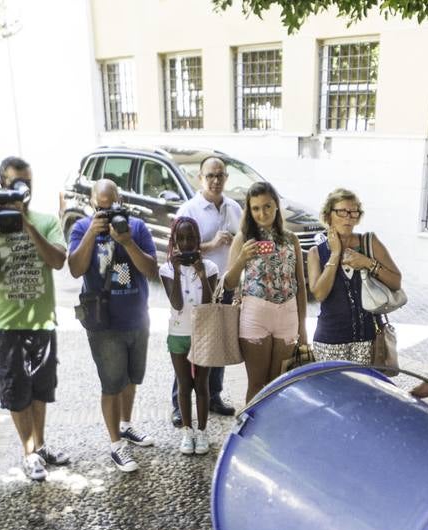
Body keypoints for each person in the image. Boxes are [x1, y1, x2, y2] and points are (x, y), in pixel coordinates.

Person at [0, 155, 69, 481]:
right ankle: (28, 453)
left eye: (27, 183)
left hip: (41, 321)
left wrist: (25, 224)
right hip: (6, 324)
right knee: (17, 392)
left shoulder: (44, 221)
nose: (22, 188)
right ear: (1, 185)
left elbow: (58, 261)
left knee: (41, 390)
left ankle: (39, 447)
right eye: (15, 183)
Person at [67, 179, 159, 472]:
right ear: (93, 204)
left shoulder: (137, 228)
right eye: (101, 209)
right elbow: (75, 269)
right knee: (111, 384)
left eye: (112, 207)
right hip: (103, 322)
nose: (107, 214)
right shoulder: (82, 228)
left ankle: (126, 425)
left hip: (136, 316)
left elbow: (151, 270)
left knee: (131, 379)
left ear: (120, 201)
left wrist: (127, 241)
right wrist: (92, 235)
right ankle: (115, 445)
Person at [224, 181, 308, 402]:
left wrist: (303, 327)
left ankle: (272, 432)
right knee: (257, 384)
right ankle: (250, 433)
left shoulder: (291, 239)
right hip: (255, 315)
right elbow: (228, 283)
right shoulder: (243, 239)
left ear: (276, 205)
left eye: (267, 206)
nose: (262, 213)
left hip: (288, 316)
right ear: (249, 211)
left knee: (278, 383)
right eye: (256, 208)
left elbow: (300, 285)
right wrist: (242, 258)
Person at [171, 156, 240, 424]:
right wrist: (210, 245)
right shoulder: (189, 210)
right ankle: (179, 402)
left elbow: (244, 243)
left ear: (226, 178)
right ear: (200, 178)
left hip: (225, 287)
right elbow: (177, 250)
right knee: (188, 346)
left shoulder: (234, 208)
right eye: (210, 175)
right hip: (195, 288)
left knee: (219, 344)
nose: (215, 180)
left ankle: (214, 395)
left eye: (220, 175)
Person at [306, 188, 402, 364]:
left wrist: (367, 263)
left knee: (365, 390)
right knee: (334, 392)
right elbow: (319, 294)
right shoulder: (316, 253)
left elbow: (396, 282)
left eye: (353, 212)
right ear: (328, 216)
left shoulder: (369, 243)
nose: (348, 217)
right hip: (329, 341)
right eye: (341, 211)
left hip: (368, 339)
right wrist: (335, 255)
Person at [158, 217, 219, 455]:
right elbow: (176, 303)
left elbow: (209, 304)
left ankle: (202, 432)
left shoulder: (211, 267)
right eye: (180, 239)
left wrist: (202, 274)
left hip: (204, 334)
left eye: (190, 238)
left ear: (198, 240)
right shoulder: (166, 269)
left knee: (202, 385)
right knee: (184, 384)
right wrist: (175, 268)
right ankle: (186, 431)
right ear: (174, 241)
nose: (186, 244)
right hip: (179, 334)